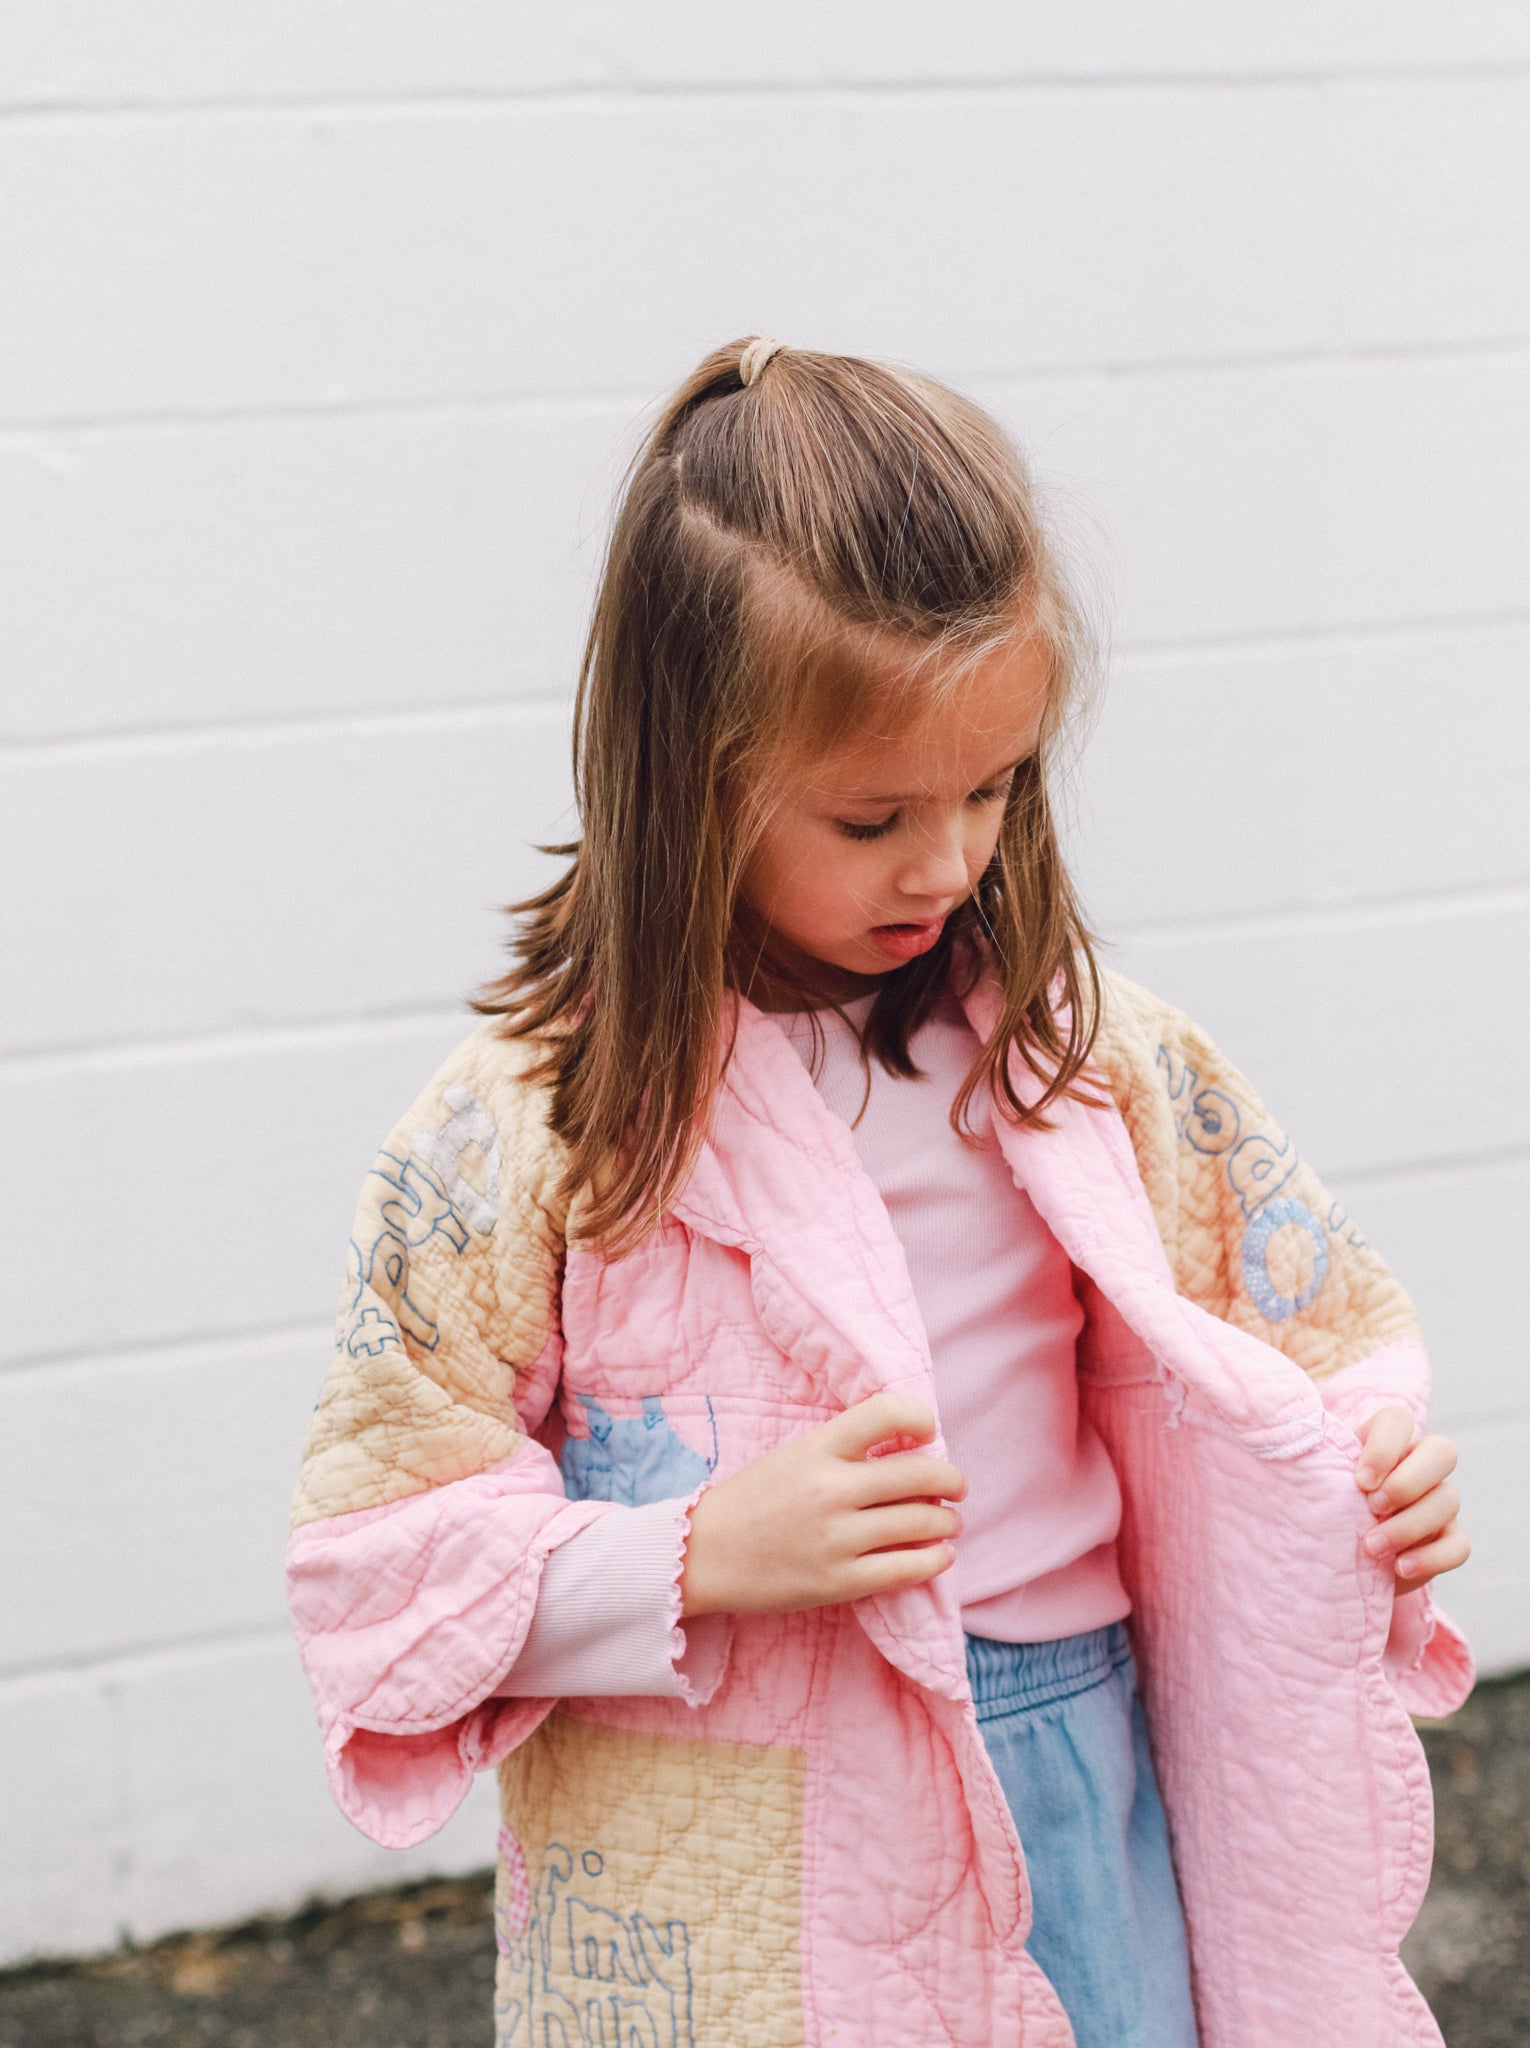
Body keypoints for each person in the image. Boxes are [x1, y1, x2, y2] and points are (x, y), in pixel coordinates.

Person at [287, 337, 1472, 2048]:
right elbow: (376, 1561)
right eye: (872, 816)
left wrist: (1372, 1488)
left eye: (993, 789)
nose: (947, 863)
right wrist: (693, 1555)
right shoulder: (536, 1124)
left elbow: (1304, 1333)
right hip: (741, 1795)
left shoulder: (1083, 1058)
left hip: (1072, 1735)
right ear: (692, 775)